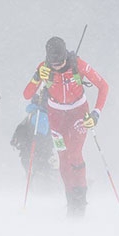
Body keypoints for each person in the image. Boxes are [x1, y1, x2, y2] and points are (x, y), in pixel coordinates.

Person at [22, 36, 108, 217]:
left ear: (65, 57)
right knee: (63, 157)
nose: (57, 66)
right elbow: (27, 93)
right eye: (53, 63)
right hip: (56, 116)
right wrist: (37, 77)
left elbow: (103, 86)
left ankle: (80, 201)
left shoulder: (78, 65)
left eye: (60, 62)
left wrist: (96, 114)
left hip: (78, 113)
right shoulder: (44, 68)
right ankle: (71, 203)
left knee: (74, 153)